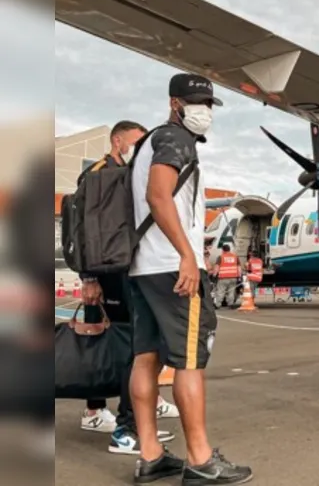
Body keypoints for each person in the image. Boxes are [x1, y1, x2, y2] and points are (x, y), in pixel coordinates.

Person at [128, 73, 252, 483]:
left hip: (142, 267)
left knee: (145, 357)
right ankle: (200, 460)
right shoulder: (175, 139)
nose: (203, 111)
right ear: (174, 103)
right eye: (195, 102)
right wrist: (186, 254)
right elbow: (158, 196)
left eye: (208, 104)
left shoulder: (146, 144)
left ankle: (150, 454)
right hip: (172, 266)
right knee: (191, 361)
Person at [76, 121, 180, 454]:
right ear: (116, 140)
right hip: (109, 273)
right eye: (135, 143)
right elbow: (84, 230)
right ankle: (126, 426)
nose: (140, 150)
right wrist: (89, 277)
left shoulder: (130, 174)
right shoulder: (100, 174)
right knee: (133, 347)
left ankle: (122, 411)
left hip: (125, 269)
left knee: (129, 345)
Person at [212, 244, 241, 308]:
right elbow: (239, 267)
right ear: (229, 249)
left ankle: (218, 305)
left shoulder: (221, 257)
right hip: (233, 277)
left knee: (220, 291)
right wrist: (239, 276)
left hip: (223, 278)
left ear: (223, 250)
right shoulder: (235, 257)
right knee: (231, 291)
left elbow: (217, 267)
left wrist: (214, 275)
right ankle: (230, 304)